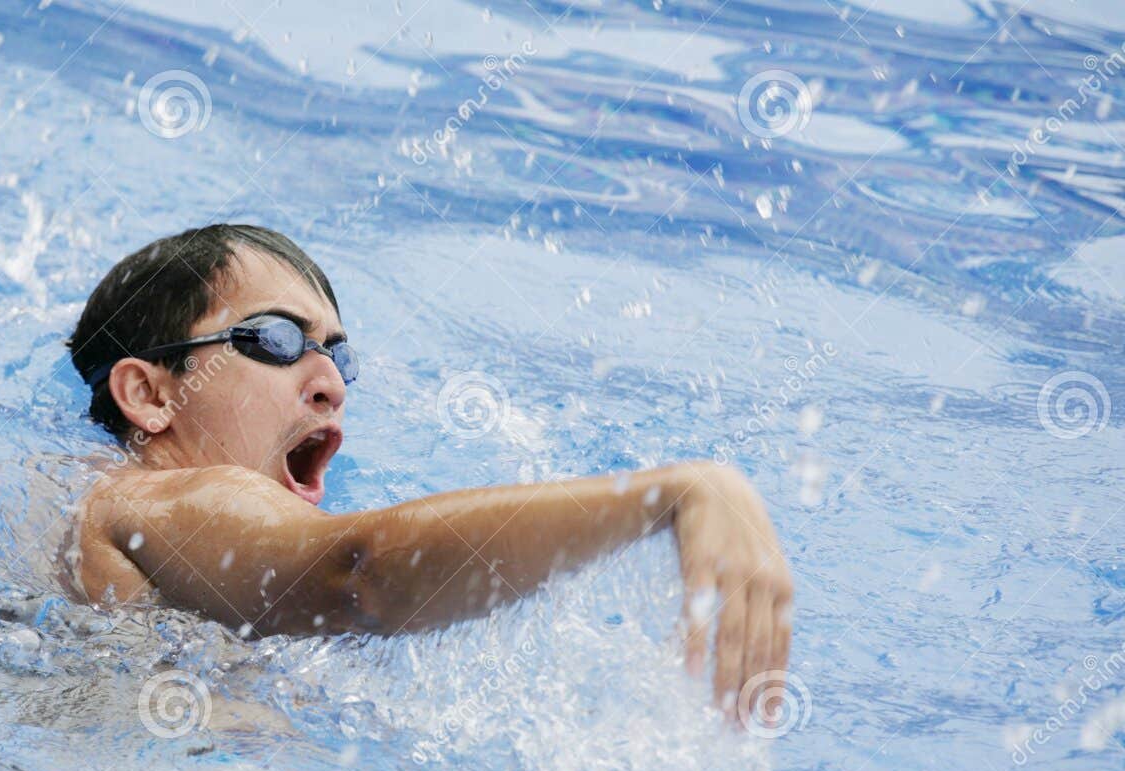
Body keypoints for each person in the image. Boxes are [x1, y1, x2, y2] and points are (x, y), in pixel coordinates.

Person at [62, 224, 793, 724]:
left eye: (339, 356)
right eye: (276, 339)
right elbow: (361, 574)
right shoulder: (149, 500)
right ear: (149, 394)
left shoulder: (107, 531)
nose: (330, 383)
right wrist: (668, 497)